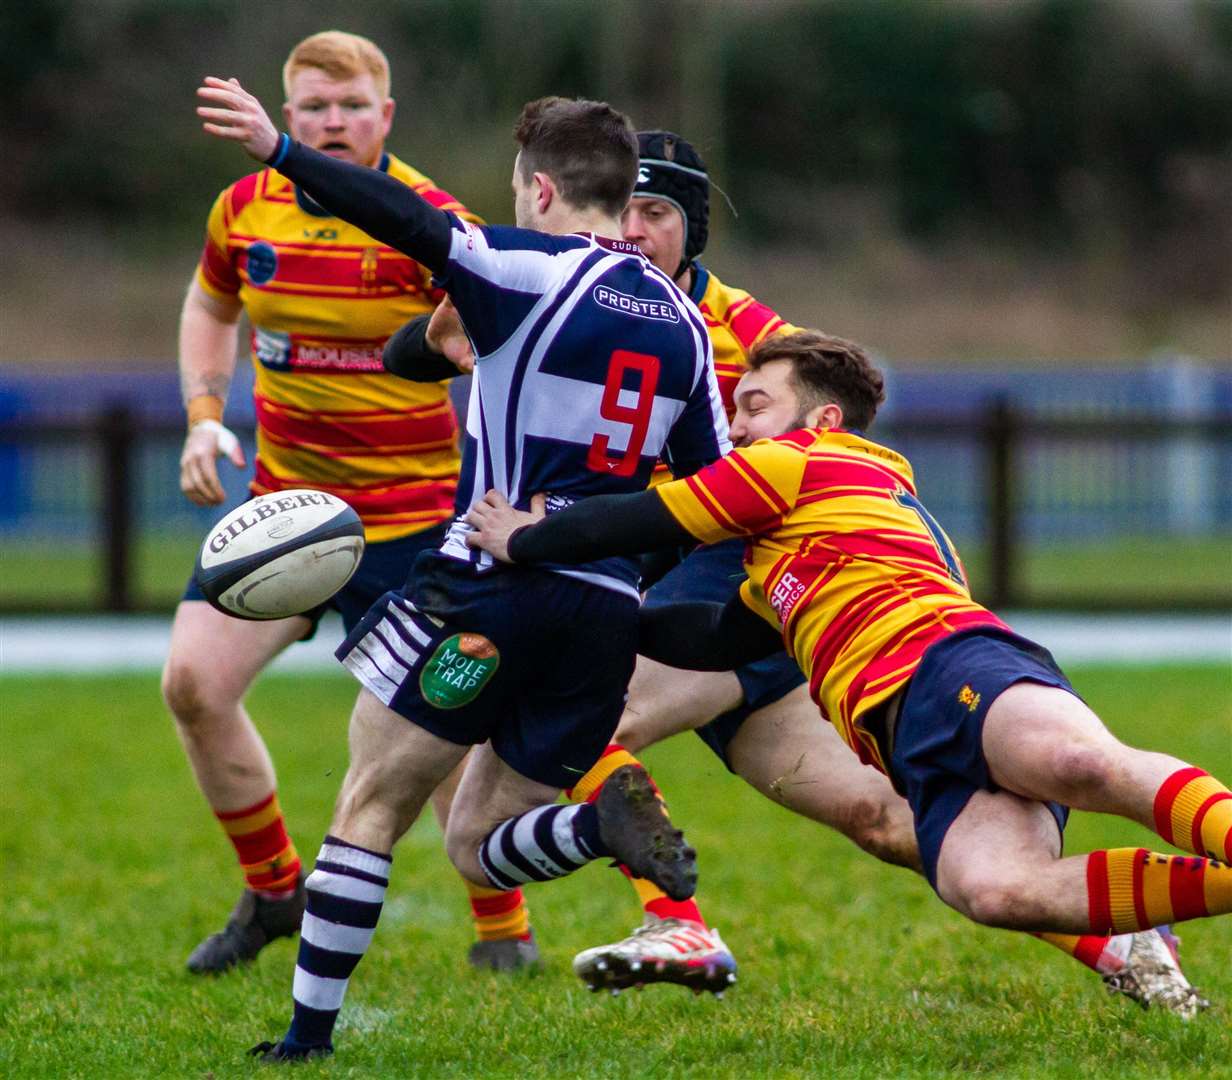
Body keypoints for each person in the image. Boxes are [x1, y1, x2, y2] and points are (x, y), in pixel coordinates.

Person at [396, 132, 1207, 1013]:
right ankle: (1121, 940)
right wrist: (447, 330)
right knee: (888, 822)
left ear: (691, 231)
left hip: (729, 569)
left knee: (587, 710)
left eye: (656, 213)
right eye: (620, 207)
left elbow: (839, 447)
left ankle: (676, 921)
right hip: (718, 607)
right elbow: (410, 356)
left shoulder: (745, 332)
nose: (632, 230)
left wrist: (930, 575)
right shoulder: (550, 291)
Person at [197, 77, 732, 1060]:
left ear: (535, 189)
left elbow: (402, 215)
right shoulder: (687, 327)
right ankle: (591, 832)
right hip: (599, 617)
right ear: (623, 192)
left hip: (484, 591)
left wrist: (281, 150)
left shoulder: (521, 269)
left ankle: (306, 1038)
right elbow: (706, 498)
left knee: (372, 802)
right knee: (475, 843)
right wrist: (593, 540)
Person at [466, 330, 1228, 1015]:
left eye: (754, 404)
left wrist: (528, 540)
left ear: (821, 420)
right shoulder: (780, 556)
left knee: (1079, 763)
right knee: (992, 890)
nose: (735, 426)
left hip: (948, 666)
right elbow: (714, 638)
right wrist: (602, 614)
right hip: (907, 749)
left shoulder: (802, 461)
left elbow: (646, 518)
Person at [162, 30, 536, 976]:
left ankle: (504, 935)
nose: (334, 123)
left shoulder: (427, 218)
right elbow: (211, 306)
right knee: (193, 686)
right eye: (316, 109)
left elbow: (503, 342)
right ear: (288, 118)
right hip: (282, 516)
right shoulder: (244, 206)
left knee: (441, 735)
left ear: (387, 117)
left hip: (411, 524)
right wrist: (205, 417)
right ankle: (274, 891)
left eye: (353, 107)